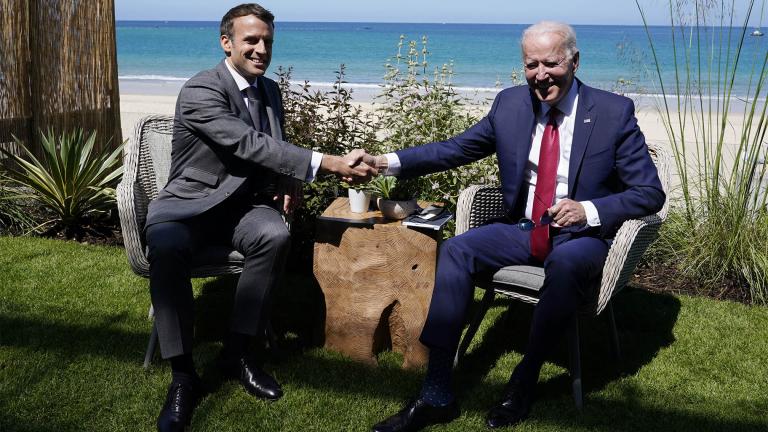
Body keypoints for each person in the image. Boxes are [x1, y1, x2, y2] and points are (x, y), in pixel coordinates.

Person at [364, 21, 665, 431]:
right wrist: (385, 162)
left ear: (574, 62)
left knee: (566, 264)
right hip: (523, 229)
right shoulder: (510, 105)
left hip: (582, 238)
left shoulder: (612, 113)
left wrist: (589, 209)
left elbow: (649, 193)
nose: (541, 75)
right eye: (531, 65)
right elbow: (453, 150)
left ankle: (525, 377)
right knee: (456, 249)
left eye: (551, 63)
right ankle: (436, 391)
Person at [144, 4, 375, 431]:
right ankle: (182, 375)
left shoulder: (269, 91)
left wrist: (290, 181)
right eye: (251, 40)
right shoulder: (201, 90)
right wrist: (329, 163)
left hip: (241, 208)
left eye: (267, 41)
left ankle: (239, 352)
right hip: (187, 207)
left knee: (273, 235)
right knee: (168, 246)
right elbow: (248, 143)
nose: (261, 49)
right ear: (226, 42)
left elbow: (273, 148)